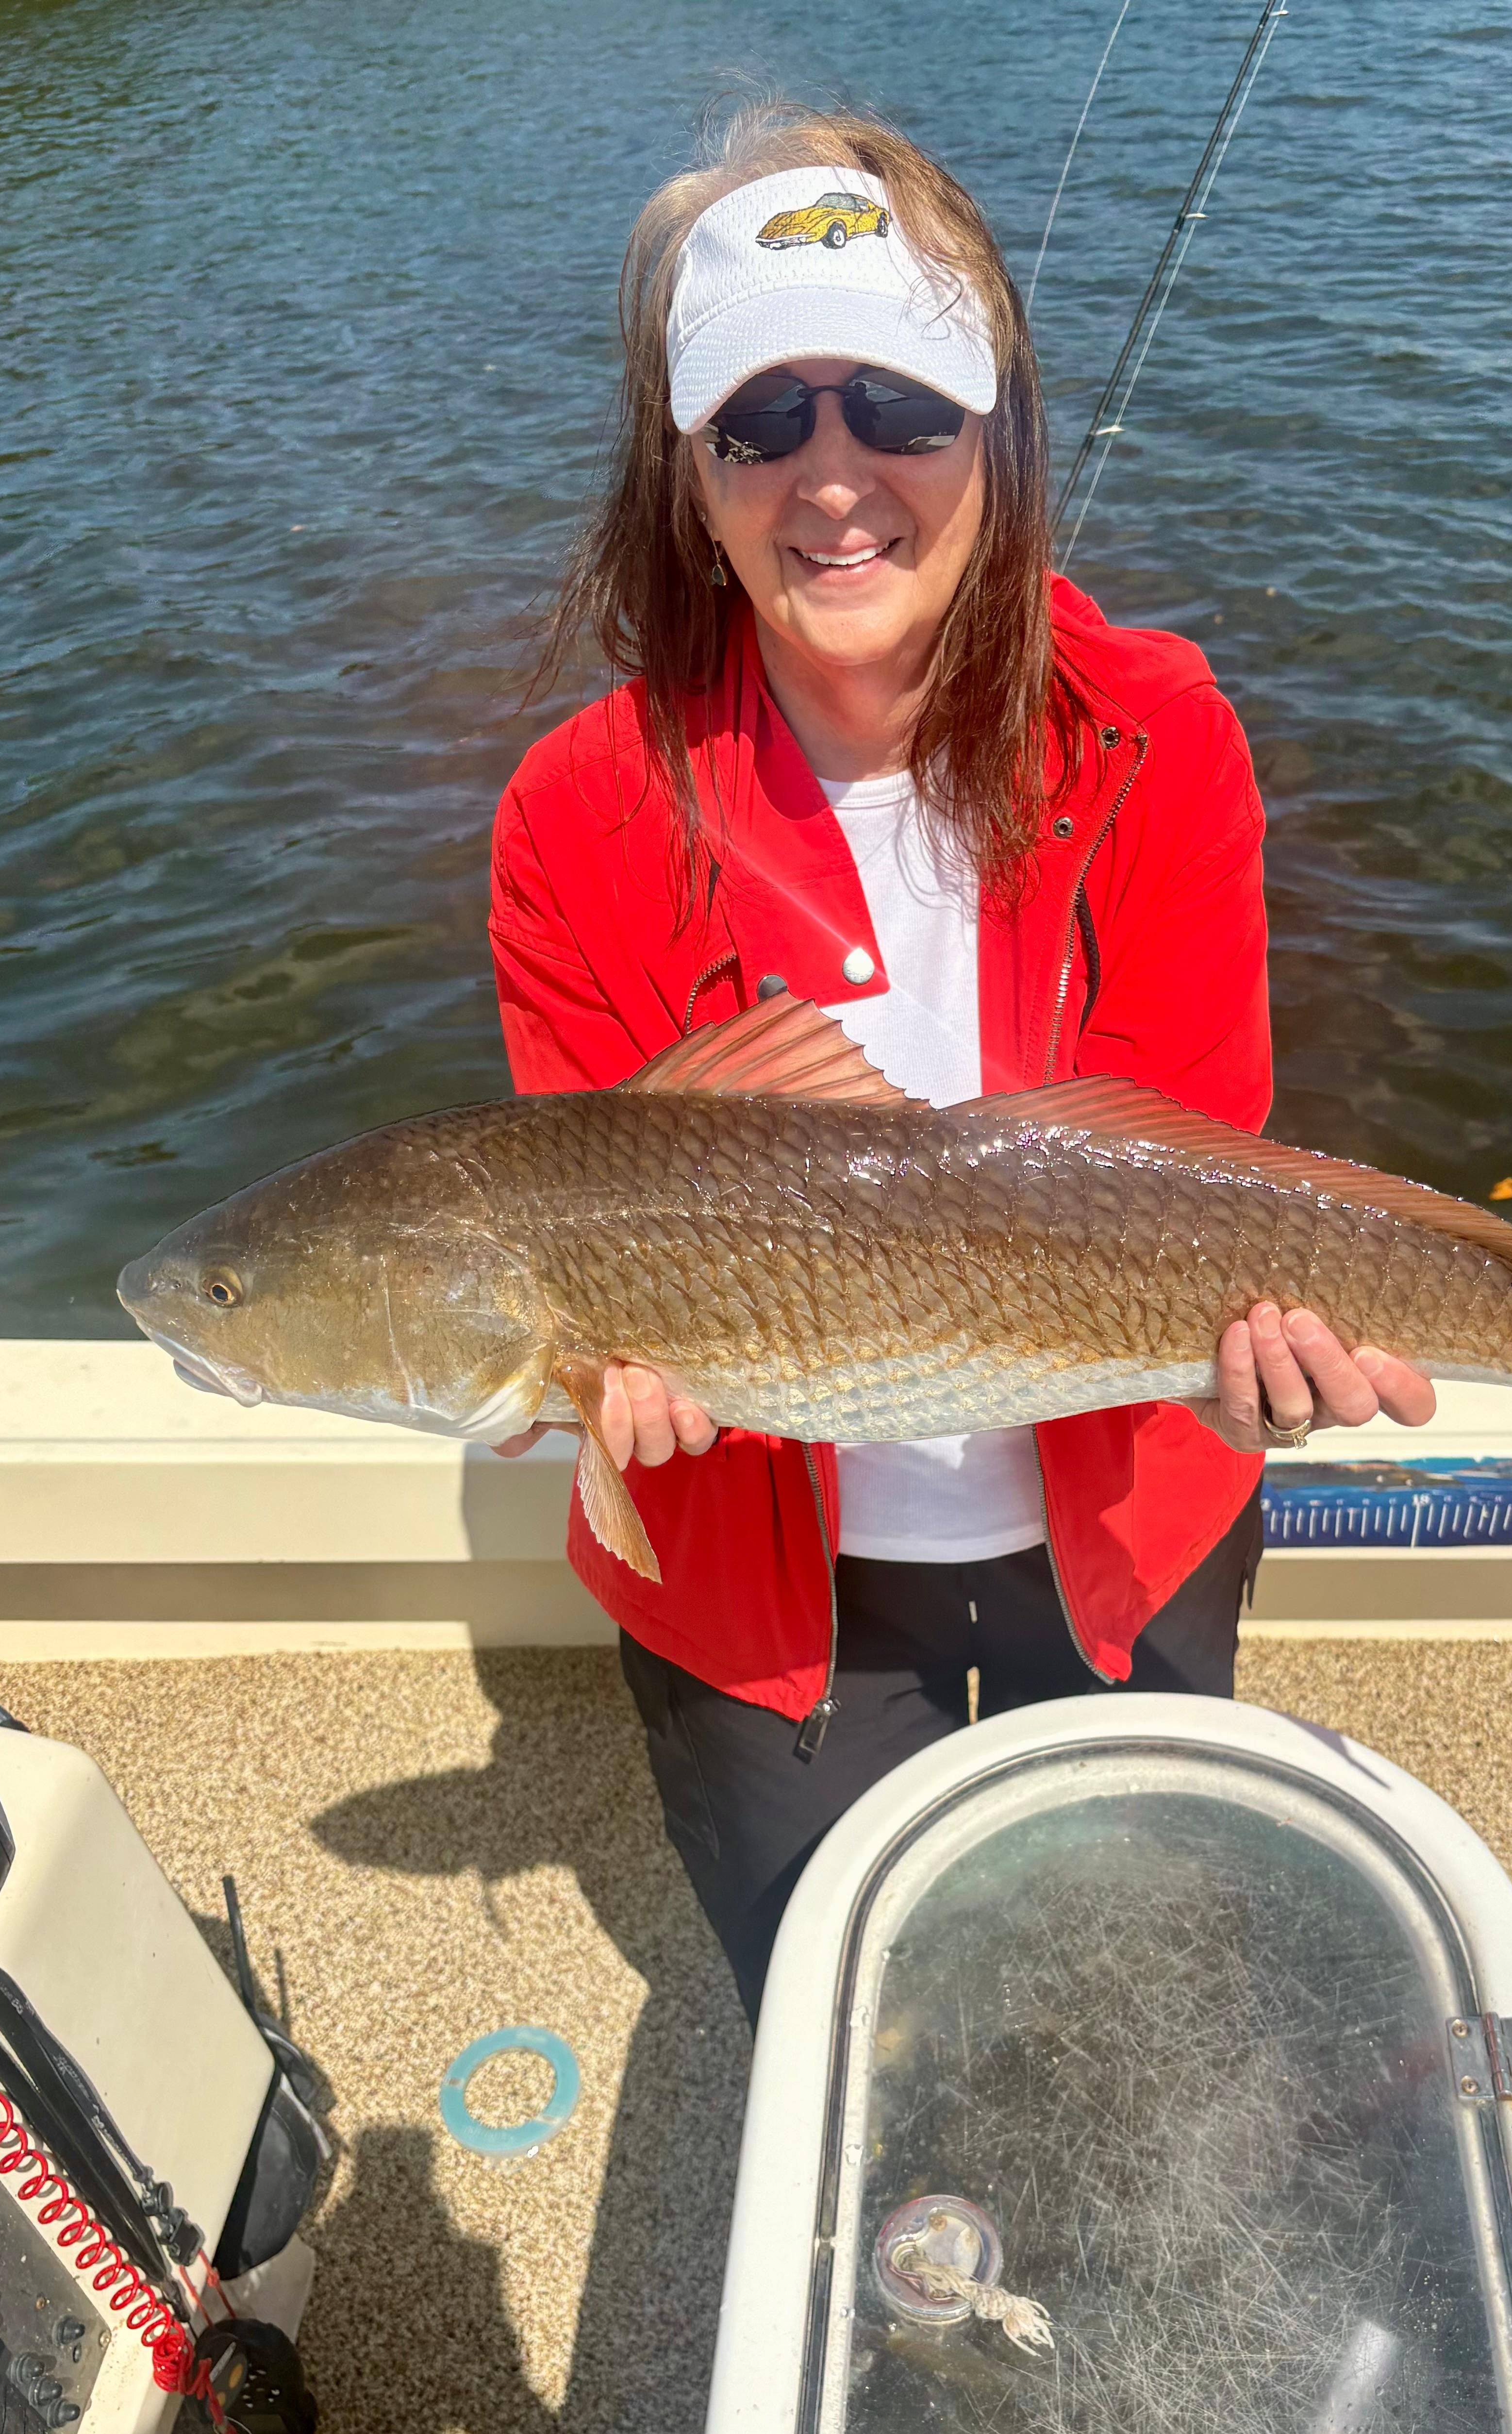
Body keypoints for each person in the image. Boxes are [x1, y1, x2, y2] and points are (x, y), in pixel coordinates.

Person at [486, 104, 1434, 2016]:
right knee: (865, 2027)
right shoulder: (572, 818)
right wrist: (583, 1389)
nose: (833, 479)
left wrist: (1267, 1372)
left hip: (1133, 1536)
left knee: (1147, 1987)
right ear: (690, 473)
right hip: (770, 1622)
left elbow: (1193, 1163)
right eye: (762, 421)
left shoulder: (1162, 732)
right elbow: (566, 1224)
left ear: (995, 427)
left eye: (898, 408)